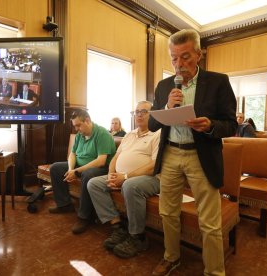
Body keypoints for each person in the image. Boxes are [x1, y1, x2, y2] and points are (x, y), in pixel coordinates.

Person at [149, 29, 237, 276]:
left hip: (202, 156)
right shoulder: (164, 85)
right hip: (170, 155)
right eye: (174, 59)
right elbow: (154, 124)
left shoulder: (218, 82)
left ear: (199, 54)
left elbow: (231, 124)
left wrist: (210, 126)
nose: (179, 65)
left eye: (185, 57)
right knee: (167, 212)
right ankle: (172, 257)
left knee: (209, 222)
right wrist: (167, 106)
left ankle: (214, 271)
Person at [88, 101, 160, 258]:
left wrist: (125, 177)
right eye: (136, 111)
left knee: (129, 186)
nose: (139, 114)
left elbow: (154, 166)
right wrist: (111, 174)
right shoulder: (129, 134)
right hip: (122, 176)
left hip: (149, 179)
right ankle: (118, 227)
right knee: (94, 184)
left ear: (153, 114)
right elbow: (115, 157)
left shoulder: (158, 134)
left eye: (144, 111)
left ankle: (138, 237)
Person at [48, 110, 117, 234]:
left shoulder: (102, 134)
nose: (76, 129)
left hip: (100, 168)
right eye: (74, 126)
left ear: (88, 121)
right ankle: (64, 205)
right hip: (80, 165)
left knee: (87, 175)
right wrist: (70, 169)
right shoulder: (80, 135)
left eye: (78, 125)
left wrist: (77, 171)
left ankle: (85, 217)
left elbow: (101, 161)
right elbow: (73, 154)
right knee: (55, 168)